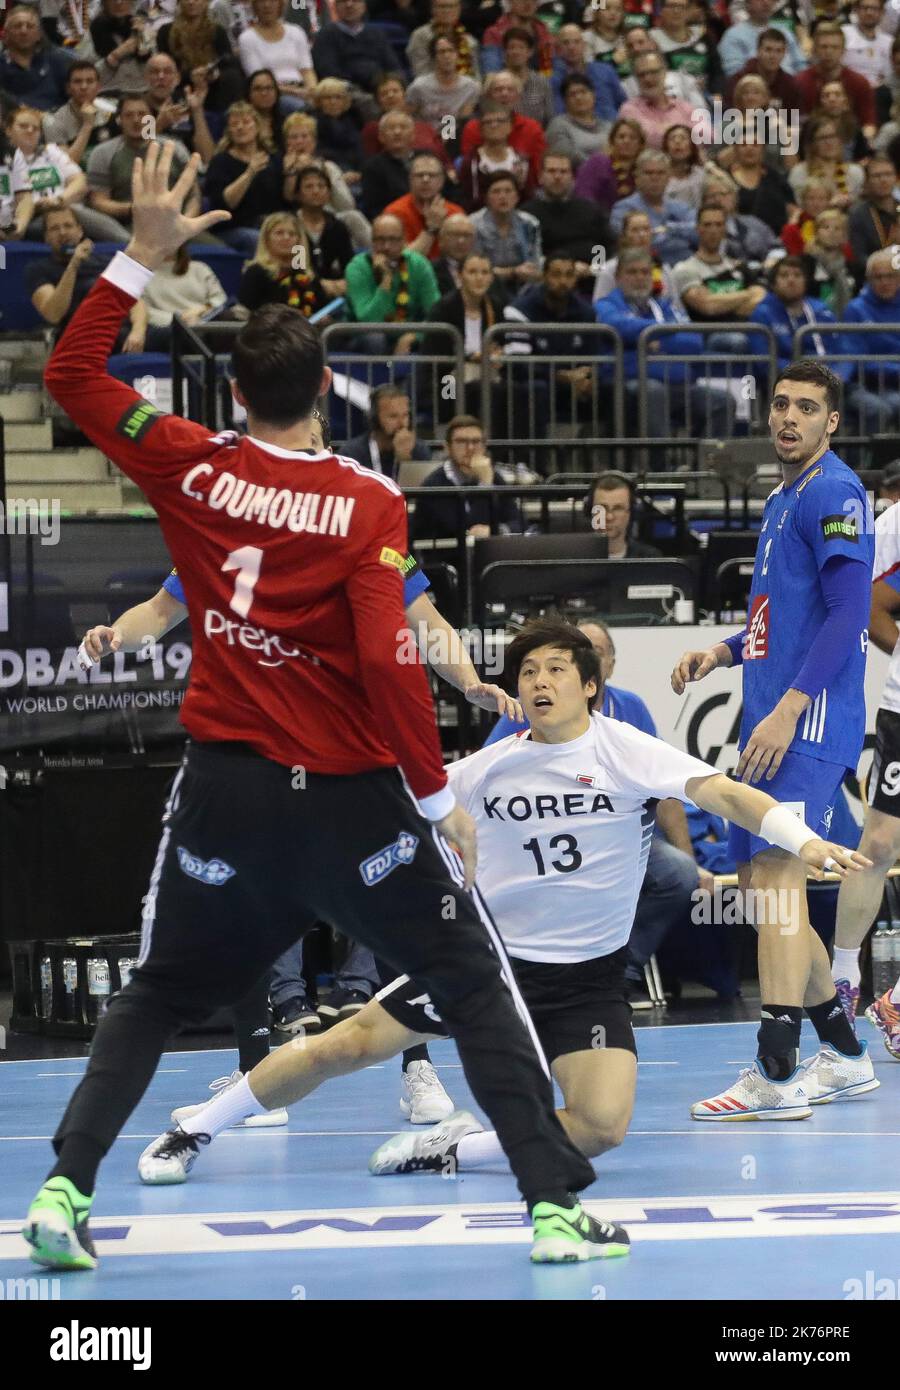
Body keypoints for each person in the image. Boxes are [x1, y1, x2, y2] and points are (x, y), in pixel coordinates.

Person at [25, 141, 608, 1272]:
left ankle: (63, 1188)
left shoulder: (185, 461)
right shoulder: (367, 502)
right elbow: (392, 660)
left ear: (236, 390)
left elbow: (71, 376)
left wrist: (138, 259)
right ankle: (549, 1207)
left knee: (156, 994)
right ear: (323, 385)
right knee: (470, 983)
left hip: (228, 798)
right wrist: (437, 793)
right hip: (350, 806)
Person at [135, 618, 867, 1196]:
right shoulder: (490, 764)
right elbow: (386, 807)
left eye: (555, 669)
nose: (540, 681)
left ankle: (453, 1147)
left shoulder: (626, 750)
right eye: (527, 671)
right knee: (343, 1046)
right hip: (488, 969)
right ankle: (195, 1129)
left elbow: (728, 794)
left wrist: (799, 839)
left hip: (584, 980)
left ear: (590, 685)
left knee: (602, 1129)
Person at [671, 359, 880, 1120]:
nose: (789, 417)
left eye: (807, 408)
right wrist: (721, 654)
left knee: (777, 878)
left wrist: (791, 706)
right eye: (782, 404)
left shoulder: (832, 490)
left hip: (810, 719)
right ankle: (847, 1055)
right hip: (774, 712)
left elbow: (848, 614)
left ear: (832, 422)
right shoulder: (783, 495)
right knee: (766, 889)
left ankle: (777, 1070)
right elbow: (778, 614)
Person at [830, 499, 900, 1046]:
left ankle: (896, 1004)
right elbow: (866, 597)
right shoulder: (897, 522)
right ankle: (842, 977)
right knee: (879, 844)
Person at [595, 248, 736, 442]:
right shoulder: (607, 304)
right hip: (628, 385)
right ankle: (660, 468)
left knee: (722, 402)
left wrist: (649, 339)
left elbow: (694, 342)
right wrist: (665, 331)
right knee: (654, 391)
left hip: (677, 384)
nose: (639, 278)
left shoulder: (665, 305)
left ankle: (705, 467)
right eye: (632, 272)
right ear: (618, 277)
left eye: (645, 272)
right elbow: (619, 326)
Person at [25, 204, 146, 350]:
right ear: (46, 238)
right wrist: (73, 265)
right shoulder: (38, 269)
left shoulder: (106, 262)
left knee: (177, 334)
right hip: (84, 338)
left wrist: (138, 331)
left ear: (79, 231)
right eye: (54, 228)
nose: (63, 232)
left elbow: (135, 301)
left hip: (126, 331)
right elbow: (53, 314)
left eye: (68, 226)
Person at [8, 104, 131, 242]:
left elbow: (80, 181)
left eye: (36, 128)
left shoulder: (51, 151)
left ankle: (128, 245)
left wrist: (59, 200)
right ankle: (127, 243)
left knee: (70, 214)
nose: (30, 130)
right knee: (63, 218)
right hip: (30, 218)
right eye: (23, 126)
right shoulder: (5, 161)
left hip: (64, 207)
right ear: (8, 130)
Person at [86, 94, 200, 239]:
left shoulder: (175, 149)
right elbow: (99, 201)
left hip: (177, 223)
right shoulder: (103, 153)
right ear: (119, 120)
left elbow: (194, 195)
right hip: (127, 228)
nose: (136, 120)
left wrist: (187, 223)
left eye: (142, 114)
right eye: (128, 115)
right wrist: (136, 208)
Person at [412, 413, 521, 540]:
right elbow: (467, 530)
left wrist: (497, 531)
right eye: (461, 442)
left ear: (484, 447)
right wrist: (484, 486)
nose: (470, 448)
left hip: (491, 558)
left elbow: (519, 523)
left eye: (476, 442)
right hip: (446, 557)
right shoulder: (434, 484)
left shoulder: (494, 477)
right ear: (447, 448)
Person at [345, 213, 441, 355]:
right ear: (372, 241)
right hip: (364, 338)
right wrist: (386, 280)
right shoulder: (357, 267)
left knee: (438, 340)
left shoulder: (418, 265)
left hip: (408, 334)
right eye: (380, 240)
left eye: (393, 240)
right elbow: (369, 321)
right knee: (375, 338)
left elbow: (436, 313)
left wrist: (412, 336)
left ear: (404, 241)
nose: (386, 247)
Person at [203, 100, 284, 258]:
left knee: (296, 235)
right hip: (232, 228)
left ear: (257, 126)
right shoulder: (221, 161)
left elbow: (285, 198)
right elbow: (226, 203)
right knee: (256, 239)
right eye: (234, 124)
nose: (240, 127)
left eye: (246, 122)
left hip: (269, 224)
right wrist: (250, 172)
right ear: (229, 131)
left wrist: (293, 172)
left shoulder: (272, 158)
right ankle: (267, 280)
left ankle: (300, 279)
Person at [521, 150, 609, 284]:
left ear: (573, 177)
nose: (557, 176)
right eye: (551, 171)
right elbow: (529, 255)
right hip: (546, 283)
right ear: (540, 177)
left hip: (590, 282)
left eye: (563, 172)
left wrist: (594, 268)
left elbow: (604, 245)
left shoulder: (590, 209)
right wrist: (568, 268)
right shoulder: (528, 214)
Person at [749, 254, 846, 370]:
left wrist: (840, 375)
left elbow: (842, 350)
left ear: (806, 282)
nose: (791, 280)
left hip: (826, 378)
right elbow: (764, 361)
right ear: (774, 284)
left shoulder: (821, 310)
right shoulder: (762, 313)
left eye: (797, 275)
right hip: (785, 382)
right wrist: (802, 375)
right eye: (784, 275)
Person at [843, 249, 900, 436]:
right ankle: (864, 464)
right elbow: (855, 357)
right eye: (878, 277)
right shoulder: (855, 309)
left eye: (890, 276)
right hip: (863, 384)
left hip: (892, 386)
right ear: (868, 280)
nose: (885, 282)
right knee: (880, 409)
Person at [156, 0, 245, 116]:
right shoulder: (165, 32)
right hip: (182, 88)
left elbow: (229, 63)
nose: (191, 2)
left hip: (214, 88)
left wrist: (215, 74)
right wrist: (191, 75)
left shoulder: (218, 31)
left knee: (232, 76)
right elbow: (164, 69)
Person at [610, 148, 697, 266]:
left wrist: (668, 229)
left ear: (669, 177)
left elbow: (699, 233)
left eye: (660, 173)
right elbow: (634, 243)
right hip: (642, 269)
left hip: (686, 268)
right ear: (637, 177)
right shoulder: (623, 209)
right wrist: (681, 235)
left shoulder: (681, 207)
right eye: (649, 173)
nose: (655, 178)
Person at [459, 70, 546, 184]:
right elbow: (470, 168)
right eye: (498, 89)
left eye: (510, 90)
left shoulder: (532, 128)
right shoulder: (473, 128)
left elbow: (539, 169)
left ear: (518, 97)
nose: (504, 94)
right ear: (488, 95)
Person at [237, 210, 331, 315]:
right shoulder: (256, 272)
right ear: (266, 239)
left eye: (292, 234)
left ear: (299, 240)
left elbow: (323, 309)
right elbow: (246, 313)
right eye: (279, 233)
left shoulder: (308, 275)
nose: (286, 238)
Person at [311, 0, 399, 111]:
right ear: (335, 7)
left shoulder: (376, 34)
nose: (349, 5)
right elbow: (328, 71)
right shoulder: (326, 35)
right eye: (343, 2)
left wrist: (387, 86)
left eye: (355, 1)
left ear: (364, 5)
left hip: (379, 88)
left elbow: (393, 66)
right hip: (345, 90)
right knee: (367, 102)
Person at [796, 23, 877, 140]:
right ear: (814, 50)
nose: (829, 52)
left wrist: (861, 145)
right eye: (824, 47)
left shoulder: (860, 83)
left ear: (843, 50)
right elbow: (792, 125)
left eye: (835, 47)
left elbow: (869, 124)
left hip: (850, 144)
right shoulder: (800, 82)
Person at [383, 148, 466, 260]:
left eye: (432, 175)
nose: (425, 180)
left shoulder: (455, 213)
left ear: (442, 181)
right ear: (410, 179)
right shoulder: (394, 213)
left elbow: (461, 257)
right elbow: (400, 261)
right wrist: (430, 229)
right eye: (419, 175)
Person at [237, 0, 316, 114]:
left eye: (272, 1)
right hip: (273, 94)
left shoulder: (296, 32)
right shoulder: (247, 38)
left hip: (302, 89)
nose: (267, 5)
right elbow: (260, 80)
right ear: (254, 6)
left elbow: (307, 71)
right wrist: (296, 92)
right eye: (261, 2)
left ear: (280, 4)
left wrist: (312, 91)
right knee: (302, 108)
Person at [470, 169, 542, 293]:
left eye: (508, 191)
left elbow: (535, 264)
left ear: (517, 197)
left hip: (523, 288)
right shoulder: (473, 225)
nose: (503, 197)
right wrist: (512, 272)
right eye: (496, 192)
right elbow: (475, 269)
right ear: (487, 198)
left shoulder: (529, 223)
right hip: (485, 288)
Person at [592, 208, 683, 306]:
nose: (642, 235)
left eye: (646, 229)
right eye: (635, 230)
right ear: (624, 236)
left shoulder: (664, 269)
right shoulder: (610, 269)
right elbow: (599, 306)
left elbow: (676, 307)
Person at [288, 164, 354, 296]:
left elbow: (348, 265)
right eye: (309, 187)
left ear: (329, 193)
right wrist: (319, 284)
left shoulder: (337, 227)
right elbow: (296, 268)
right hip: (296, 289)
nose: (316, 191)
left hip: (332, 290)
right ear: (298, 194)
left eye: (321, 186)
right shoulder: (290, 226)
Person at [142, 52, 216, 167]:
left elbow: (208, 158)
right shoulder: (136, 108)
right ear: (145, 78)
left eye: (167, 72)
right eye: (154, 72)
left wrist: (197, 110)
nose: (161, 76)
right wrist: (158, 126)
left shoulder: (186, 106)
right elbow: (134, 156)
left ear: (177, 79)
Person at [342, 385, 433, 478]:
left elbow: (421, 489)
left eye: (405, 415)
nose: (402, 423)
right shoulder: (352, 453)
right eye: (393, 416)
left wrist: (405, 461)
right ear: (375, 418)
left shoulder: (419, 450)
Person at [141, 242, 229, 336]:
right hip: (170, 328)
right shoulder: (143, 274)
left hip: (205, 321)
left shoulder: (199, 268)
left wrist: (202, 309)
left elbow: (220, 298)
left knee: (230, 318)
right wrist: (180, 320)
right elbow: (144, 310)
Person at [42, 60, 118, 167]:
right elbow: (64, 165)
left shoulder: (112, 110)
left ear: (98, 87)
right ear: (68, 88)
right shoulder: (53, 121)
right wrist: (87, 126)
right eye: (77, 81)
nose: (83, 87)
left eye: (90, 81)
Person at [617, 48, 695, 151]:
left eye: (653, 72)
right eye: (641, 75)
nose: (648, 79)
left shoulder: (684, 106)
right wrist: (683, 133)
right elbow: (650, 140)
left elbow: (708, 136)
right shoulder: (629, 110)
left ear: (665, 72)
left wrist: (664, 130)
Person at [0, 5, 74, 112]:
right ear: (5, 35)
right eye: (17, 26)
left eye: (30, 26)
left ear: (39, 34)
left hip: (55, 122)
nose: (24, 31)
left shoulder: (57, 62)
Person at [550, 24, 627, 123]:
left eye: (576, 42)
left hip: (612, 130)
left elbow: (624, 105)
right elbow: (559, 116)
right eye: (566, 43)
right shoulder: (553, 81)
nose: (571, 47)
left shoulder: (606, 71)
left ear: (584, 45)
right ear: (558, 49)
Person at [406, 33, 482, 132]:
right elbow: (407, 116)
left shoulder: (470, 87)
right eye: (442, 52)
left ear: (457, 55)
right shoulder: (418, 87)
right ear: (434, 57)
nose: (447, 56)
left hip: (455, 139)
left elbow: (464, 121)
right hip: (426, 139)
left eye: (451, 51)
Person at [789, 116, 865, 210]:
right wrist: (829, 205)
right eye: (823, 138)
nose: (829, 142)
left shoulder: (855, 172)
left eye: (833, 136)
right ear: (812, 143)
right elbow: (800, 208)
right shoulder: (800, 172)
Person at [718, 0, 807, 77]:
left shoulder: (785, 33)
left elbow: (801, 66)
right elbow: (734, 75)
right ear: (747, 3)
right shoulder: (733, 36)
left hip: (789, 89)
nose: (766, 2)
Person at [725, 27, 804, 112]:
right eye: (768, 50)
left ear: (784, 53)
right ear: (758, 51)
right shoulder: (738, 81)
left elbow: (795, 122)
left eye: (778, 51)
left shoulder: (790, 85)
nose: (773, 56)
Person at [847, 154, 900, 278]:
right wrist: (888, 268)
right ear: (867, 181)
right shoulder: (858, 214)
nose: (883, 180)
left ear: (895, 178)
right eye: (877, 176)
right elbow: (858, 258)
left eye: (888, 174)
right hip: (875, 279)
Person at [574, 115, 643, 211]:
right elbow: (584, 196)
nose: (626, 141)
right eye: (621, 137)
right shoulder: (598, 162)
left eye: (633, 138)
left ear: (640, 144)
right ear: (612, 141)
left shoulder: (643, 167)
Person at [90, 0, 152, 96]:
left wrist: (143, 41)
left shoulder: (139, 25)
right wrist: (116, 55)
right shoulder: (95, 28)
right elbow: (89, 75)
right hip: (107, 94)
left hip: (141, 93)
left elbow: (151, 68)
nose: (118, 2)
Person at [407, 0, 481, 79]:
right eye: (442, 7)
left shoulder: (469, 40)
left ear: (459, 9)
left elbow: (476, 75)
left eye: (452, 6)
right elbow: (421, 72)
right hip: (430, 87)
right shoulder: (420, 36)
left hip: (465, 88)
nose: (447, 10)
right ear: (432, 9)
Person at [499, 26, 554, 127]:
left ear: (530, 52)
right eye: (511, 47)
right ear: (505, 52)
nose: (516, 52)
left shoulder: (542, 82)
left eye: (521, 47)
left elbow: (550, 119)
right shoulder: (497, 83)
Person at [482, 0, 555, 75]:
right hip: (507, 84)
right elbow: (492, 71)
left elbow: (556, 67)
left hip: (540, 83)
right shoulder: (494, 33)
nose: (528, 2)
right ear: (510, 1)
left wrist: (545, 83)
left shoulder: (545, 33)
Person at [842, 0, 893, 89]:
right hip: (847, 90)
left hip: (880, 92)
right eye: (865, 8)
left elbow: (889, 76)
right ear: (856, 10)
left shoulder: (889, 42)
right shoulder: (843, 34)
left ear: (882, 12)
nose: (869, 12)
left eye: (874, 8)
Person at [431, 211, 477, 294]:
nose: (461, 241)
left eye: (467, 235)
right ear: (441, 240)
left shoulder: (484, 269)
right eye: (455, 235)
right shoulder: (430, 271)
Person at [662, 123, 705, 209]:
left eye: (683, 138)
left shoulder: (701, 174)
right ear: (666, 146)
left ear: (692, 145)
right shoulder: (658, 173)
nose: (677, 142)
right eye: (672, 138)